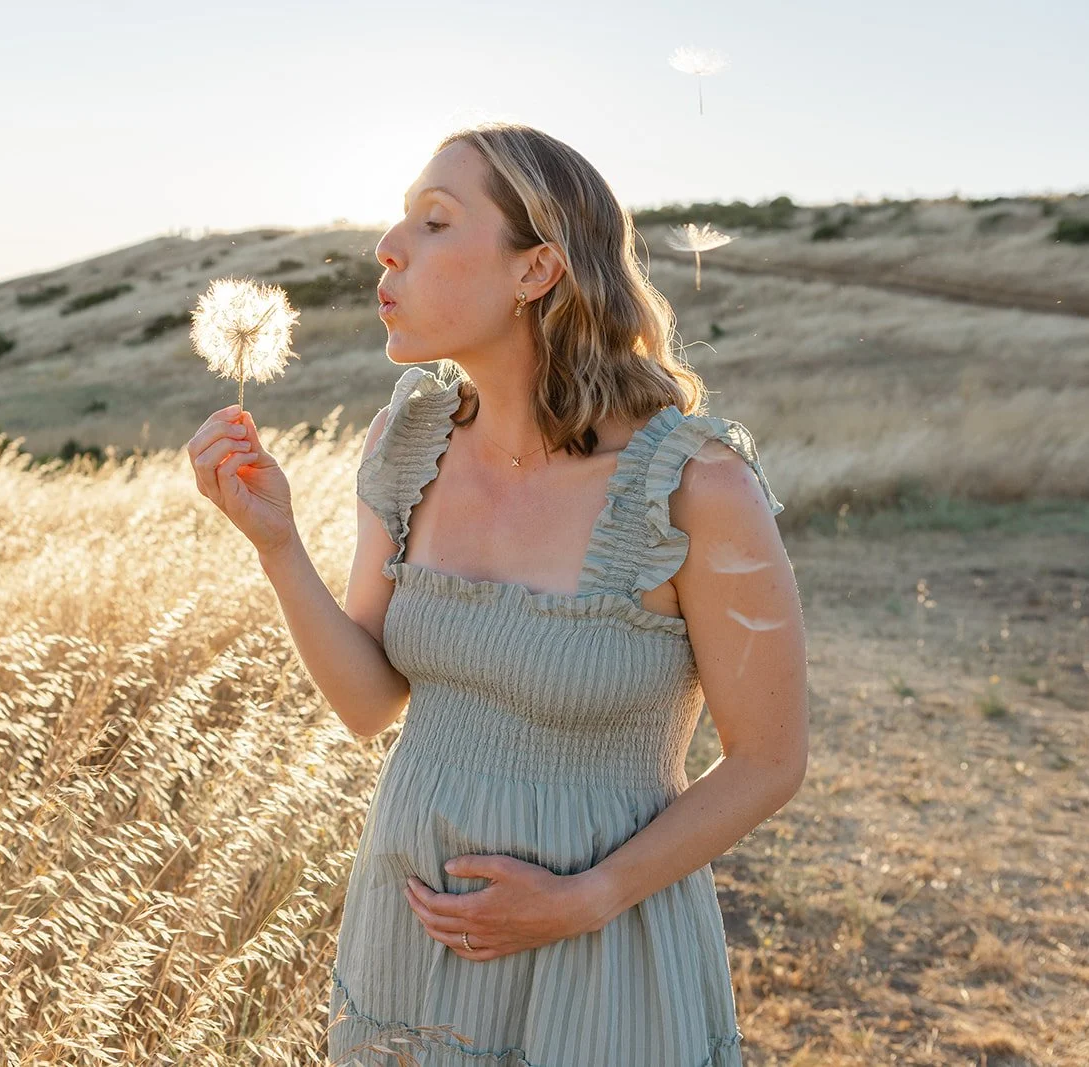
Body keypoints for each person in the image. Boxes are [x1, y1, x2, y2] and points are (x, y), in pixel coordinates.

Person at [187, 121, 807, 1066]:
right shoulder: (405, 444)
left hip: (603, 955)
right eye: (399, 220)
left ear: (536, 271)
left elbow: (769, 760)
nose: (389, 250)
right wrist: (276, 544)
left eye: (434, 222)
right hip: (412, 946)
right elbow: (368, 701)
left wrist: (584, 898)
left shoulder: (695, 484)